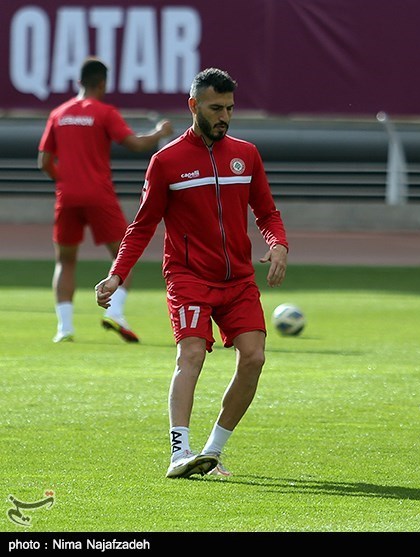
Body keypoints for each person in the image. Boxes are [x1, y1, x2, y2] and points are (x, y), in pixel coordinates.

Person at [95, 67, 289, 479]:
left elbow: (266, 210)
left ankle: (212, 452)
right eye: (216, 107)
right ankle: (178, 453)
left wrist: (278, 244)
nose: (224, 116)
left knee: (253, 358)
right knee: (192, 354)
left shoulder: (246, 154)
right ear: (193, 106)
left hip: (237, 280)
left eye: (230, 108)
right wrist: (117, 275)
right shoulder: (166, 162)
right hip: (189, 279)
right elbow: (142, 225)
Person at [38, 57, 173, 343]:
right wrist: (160, 133)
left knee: (65, 261)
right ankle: (116, 312)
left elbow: (44, 160)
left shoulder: (59, 113)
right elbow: (135, 144)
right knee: (123, 255)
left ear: (79, 82)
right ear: (102, 83)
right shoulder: (104, 112)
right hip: (99, 195)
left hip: (68, 196)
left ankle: (65, 328)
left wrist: (64, 179)